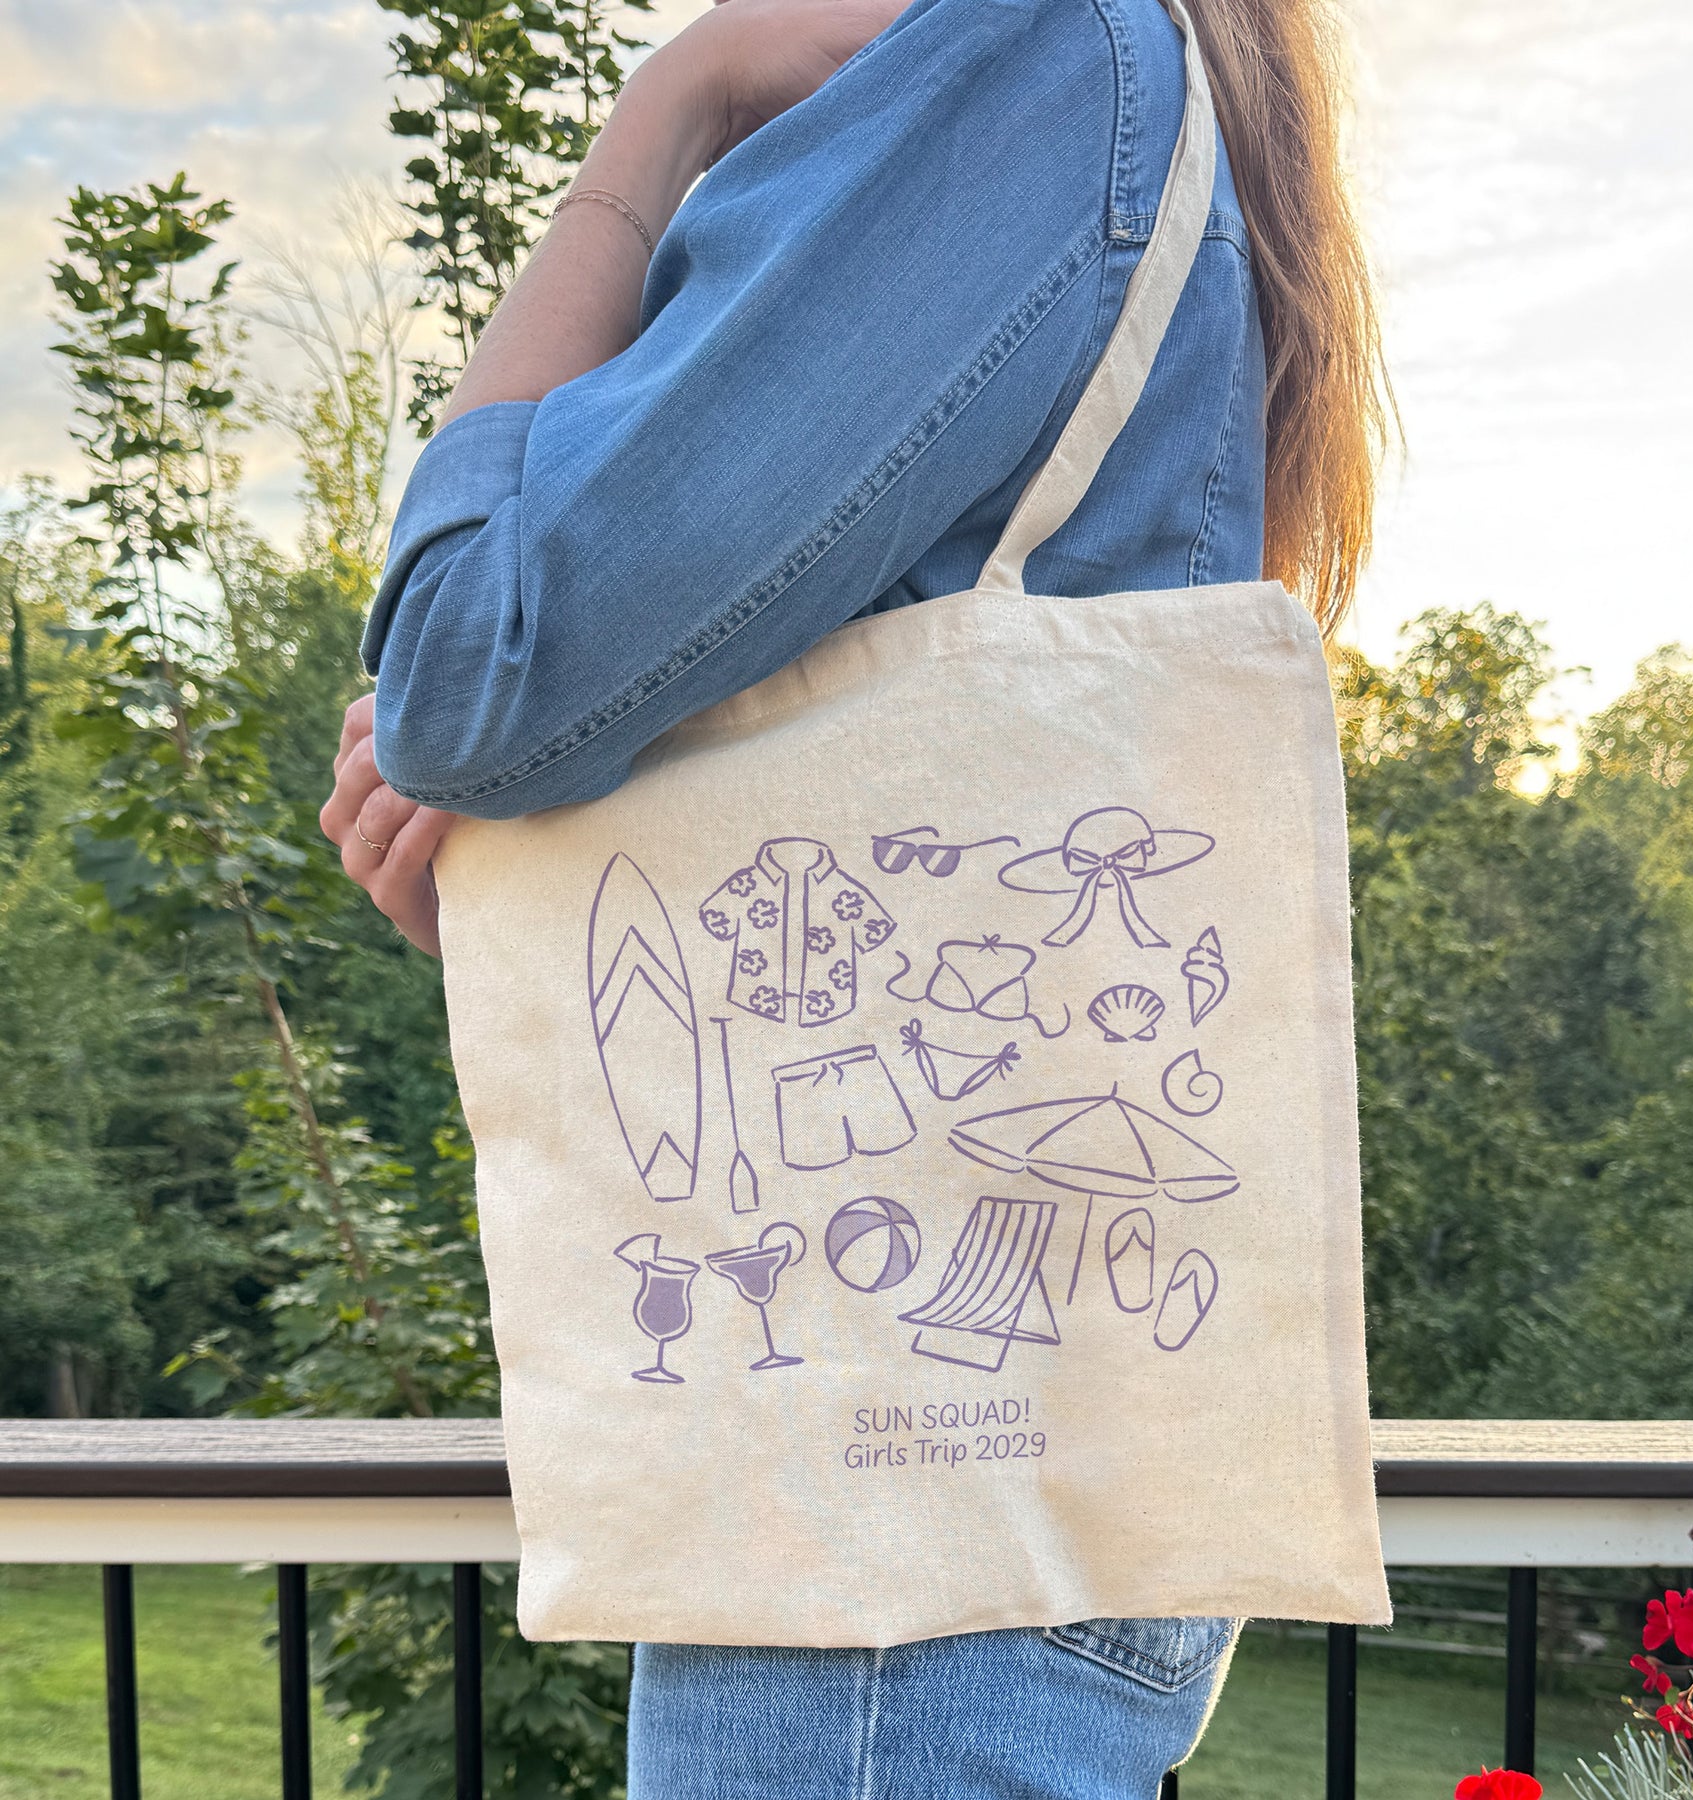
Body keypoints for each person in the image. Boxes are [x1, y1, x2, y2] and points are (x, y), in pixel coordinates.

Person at [322, 0, 1386, 1787]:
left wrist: (673, 105)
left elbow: (467, 663)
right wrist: (538, 883)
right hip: (987, 1496)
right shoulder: (1133, 72)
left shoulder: (1040, 50)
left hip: (886, 1546)